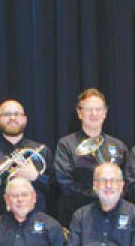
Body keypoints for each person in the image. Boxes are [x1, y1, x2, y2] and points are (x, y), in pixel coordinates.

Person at [0, 99, 51, 226]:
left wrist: (36, 177)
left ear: (24, 119)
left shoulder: (41, 151)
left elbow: (55, 189)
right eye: (7, 114)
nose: (12, 118)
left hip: (37, 224)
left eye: (17, 114)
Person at [53, 88, 129, 223]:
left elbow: (127, 182)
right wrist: (99, 196)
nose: (94, 113)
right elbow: (64, 183)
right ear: (79, 113)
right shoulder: (66, 144)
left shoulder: (119, 146)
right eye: (88, 109)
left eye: (98, 109)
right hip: (78, 215)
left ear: (105, 113)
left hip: (114, 216)